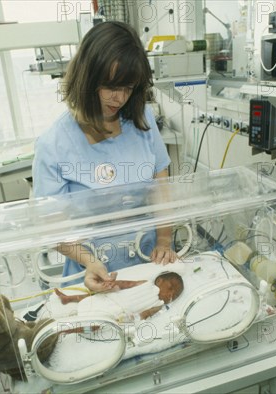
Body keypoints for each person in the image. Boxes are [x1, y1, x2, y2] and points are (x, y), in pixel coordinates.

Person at [32, 21, 177, 293]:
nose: (119, 98)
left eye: (128, 87)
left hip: (148, 263)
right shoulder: (53, 145)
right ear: (88, 78)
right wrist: (90, 261)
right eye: (111, 86)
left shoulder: (142, 120)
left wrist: (165, 241)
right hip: (92, 273)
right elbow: (53, 227)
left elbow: (161, 188)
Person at [55, 272, 184, 321]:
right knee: (93, 297)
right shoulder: (147, 284)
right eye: (171, 288)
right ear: (160, 281)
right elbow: (127, 284)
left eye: (175, 295)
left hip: (120, 312)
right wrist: (112, 284)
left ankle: (70, 328)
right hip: (114, 297)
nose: (171, 294)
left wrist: (136, 320)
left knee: (99, 323)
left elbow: (146, 314)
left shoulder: (159, 305)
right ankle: (69, 299)